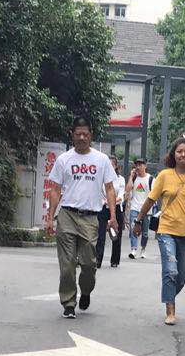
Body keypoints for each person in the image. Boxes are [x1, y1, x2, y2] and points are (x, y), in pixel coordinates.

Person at [45, 117, 117, 319]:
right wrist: (50, 218)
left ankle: (85, 291)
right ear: (72, 135)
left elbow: (110, 188)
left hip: (90, 219)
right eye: (78, 134)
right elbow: (55, 190)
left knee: (88, 264)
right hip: (67, 215)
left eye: (85, 134)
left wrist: (113, 216)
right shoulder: (64, 160)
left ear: (91, 135)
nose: (82, 137)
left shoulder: (101, 160)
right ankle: (68, 303)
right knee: (67, 264)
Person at [137, 136, 185, 325]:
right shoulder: (164, 175)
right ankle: (170, 310)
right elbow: (151, 200)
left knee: (181, 275)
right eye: (179, 151)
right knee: (170, 270)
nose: (183, 155)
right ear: (173, 154)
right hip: (166, 230)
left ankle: (169, 293)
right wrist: (138, 220)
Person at [95, 157, 126, 268]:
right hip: (103, 208)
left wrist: (110, 200)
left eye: (112, 165)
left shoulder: (120, 179)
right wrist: (104, 201)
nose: (109, 167)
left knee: (116, 235)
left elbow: (121, 196)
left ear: (115, 166)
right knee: (100, 234)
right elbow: (98, 193)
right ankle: (98, 260)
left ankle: (115, 260)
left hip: (117, 208)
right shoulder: (100, 178)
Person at [124, 159, 151, 259]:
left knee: (144, 232)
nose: (138, 167)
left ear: (145, 166)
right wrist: (131, 177)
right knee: (133, 229)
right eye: (136, 165)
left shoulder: (150, 178)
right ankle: (133, 250)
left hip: (146, 209)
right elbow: (127, 190)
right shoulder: (134, 178)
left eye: (140, 164)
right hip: (134, 208)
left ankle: (143, 249)